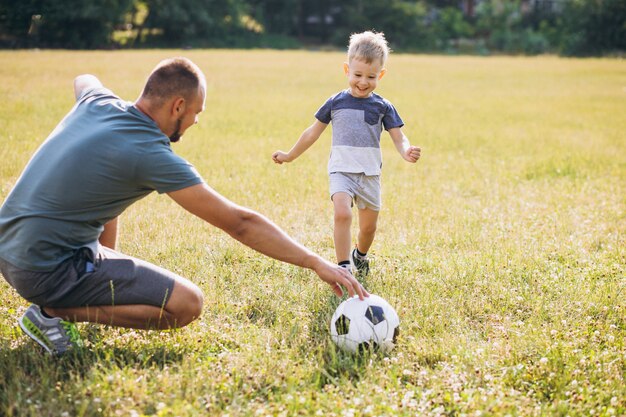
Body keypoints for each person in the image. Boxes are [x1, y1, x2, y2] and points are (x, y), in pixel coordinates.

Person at [0, 57, 367, 356]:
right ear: (177, 105)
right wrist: (316, 263)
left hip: (9, 247)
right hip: (42, 270)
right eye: (195, 112)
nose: (195, 121)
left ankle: (80, 286)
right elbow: (239, 223)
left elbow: (84, 78)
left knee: (109, 195)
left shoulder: (97, 101)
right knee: (186, 305)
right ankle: (53, 312)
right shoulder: (151, 154)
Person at [272, 31, 421, 277]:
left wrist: (406, 150)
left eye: (371, 77)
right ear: (347, 70)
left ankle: (359, 255)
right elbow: (312, 133)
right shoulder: (335, 102)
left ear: (381, 75)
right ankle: (344, 268)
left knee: (368, 229)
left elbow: (398, 136)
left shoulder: (383, 106)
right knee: (342, 212)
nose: (363, 82)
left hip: (370, 174)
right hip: (341, 170)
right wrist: (289, 155)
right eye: (358, 75)